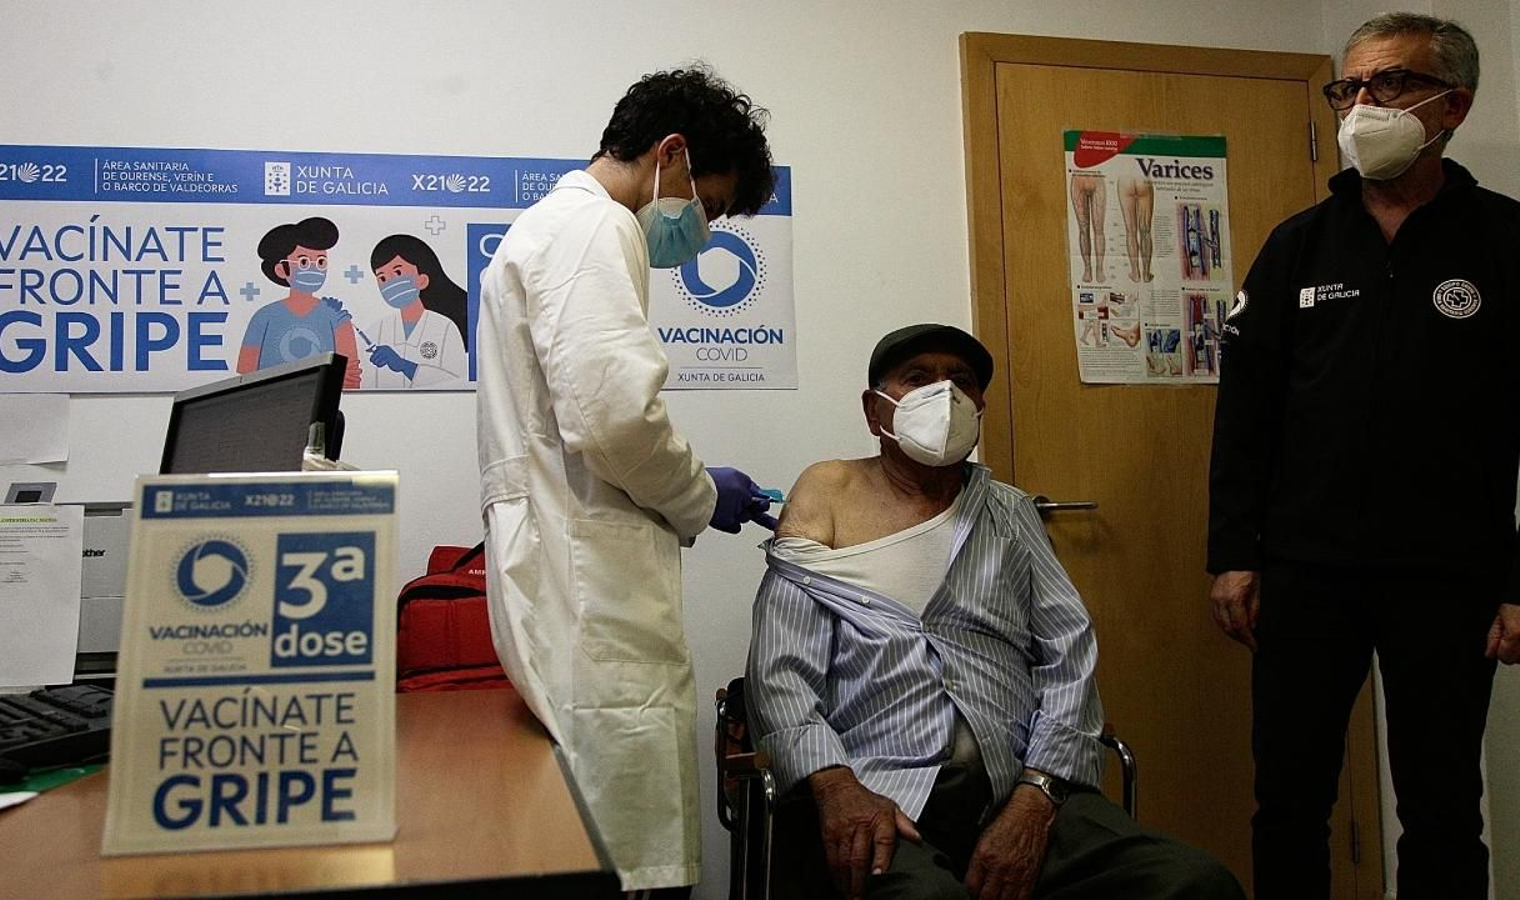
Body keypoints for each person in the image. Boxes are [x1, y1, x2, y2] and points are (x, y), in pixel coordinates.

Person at [749, 323, 1244, 900]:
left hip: (1018, 785)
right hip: (880, 787)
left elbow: (1069, 654)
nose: (944, 394)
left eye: (960, 381)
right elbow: (779, 673)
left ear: (980, 407)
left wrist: (1036, 795)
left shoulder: (1009, 513)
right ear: (874, 409)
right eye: (918, 379)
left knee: (1196, 885)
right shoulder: (826, 501)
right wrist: (834, 786)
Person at [1207, 13, 1520, 899]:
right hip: (1305, 572)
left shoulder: (1505, 242)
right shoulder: (1295, 246)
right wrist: (1232, 553)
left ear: (1451, 104)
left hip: (1449, 573)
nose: (1359, 106)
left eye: (1387, 85)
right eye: (1348, 88)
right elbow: (1247, 416)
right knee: (1290, 800)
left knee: (1444, 805)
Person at [474, 66, 778, 896]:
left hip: (565, 562)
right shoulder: (594, 229)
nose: (703, 233)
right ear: (670, 155)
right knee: (620, 855)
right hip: (588, 588)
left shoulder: (555, 227)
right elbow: (614, 421)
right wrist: (702, 494)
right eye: (708, 206)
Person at [241, 216, 362, 388]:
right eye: (304, 261)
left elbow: (350, 378)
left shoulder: (337, 318)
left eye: (321, 262)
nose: (314, 268)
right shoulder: (263, 317)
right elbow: (245, 375)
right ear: (281, 269)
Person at [361, 234, 466, 389]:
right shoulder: (377, 330)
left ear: (422, 280)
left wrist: (406, 366)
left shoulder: (444, 327)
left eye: (398, 273)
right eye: (382, 278)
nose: (390, 283)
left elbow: (459, 381)